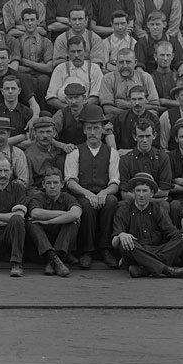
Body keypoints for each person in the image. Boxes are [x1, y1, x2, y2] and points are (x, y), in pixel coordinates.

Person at [64, 104, 120, 269]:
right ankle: (87, 251)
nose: (93, 132)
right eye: (89, 128)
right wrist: (87, 193)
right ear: (84, 130)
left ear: (103, 130)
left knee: (111, 202)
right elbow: (70, 181)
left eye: (96, 128)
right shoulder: (75, 152)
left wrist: (103, 192)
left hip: (104, 192)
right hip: (82, 193)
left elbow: (115, 183)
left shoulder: (112, 153)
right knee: (86, 206)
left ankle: (105, 248)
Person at [112, 173, 183, 279]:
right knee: (125, 242)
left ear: (151, 193)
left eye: (145, 191)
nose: (141, 195)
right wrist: (121, 235)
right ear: (133, 193)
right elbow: (114, 243)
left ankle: (145, 269)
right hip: (136, 250)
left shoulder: (158, 209)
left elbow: (172, 233)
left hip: (158, 250)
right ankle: (168, 270)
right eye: (138, 191)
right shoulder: (123, 209)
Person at [26, 169, 80, 277]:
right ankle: (55, 259)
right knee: (32, 223)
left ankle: (53, 261)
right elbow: (35, 213)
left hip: (63, 247)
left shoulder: (68, 198)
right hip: (41, 249)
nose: (52, 186)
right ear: (43, 185)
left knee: (73, 222)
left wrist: (49, 221)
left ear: (61, 184)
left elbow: (75, 214)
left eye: (55, 183)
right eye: (48, 183)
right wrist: (64, 214)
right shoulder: (38, 197)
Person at [118, 119, 172, 202]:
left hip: (156, 206)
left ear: (154, 135)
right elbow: (124, 194)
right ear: (134, 136)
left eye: (148, 136)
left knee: (164, 206)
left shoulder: (163, 158)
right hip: (134, 204)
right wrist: (153, 199)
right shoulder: (125, 160)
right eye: (141, 136)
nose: (144, 140)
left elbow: (165, 191)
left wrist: (140, 196)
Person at [47, 36, 104, 111]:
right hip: (65, 110)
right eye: (73, 52)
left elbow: (96, 97)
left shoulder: (95, 69)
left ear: (85, 52)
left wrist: (79, 108)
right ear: (67, 52)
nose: (76, 55)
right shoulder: (60, 69)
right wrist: (69, 109)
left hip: (87, 109)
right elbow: (51, 98)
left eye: (79, 51)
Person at [100, 49, 160, 116]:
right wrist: (131, 114)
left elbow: (155, 106)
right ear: (116, 63)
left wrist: (129, 105)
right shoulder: (108, 78)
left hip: (143, 118)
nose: (125, 66)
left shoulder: (145, 77)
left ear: (135, 63)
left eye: (128, 62)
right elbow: (108, 109)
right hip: (118, 118)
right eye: (121, 62)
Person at [15, 8, 56, 100]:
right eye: (27, 20)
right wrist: (38, 67)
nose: (30, 23)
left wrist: (27, 63)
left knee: (44, 80)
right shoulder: (16, 42)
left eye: (32, 20)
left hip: (41, 76)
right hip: (24, 75)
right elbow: (15, 67)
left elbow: (49, 67)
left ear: (37, 21)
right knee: (24, 79)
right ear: (22, 22)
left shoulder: (46, 42)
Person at [110, 85, 160, 153]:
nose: (137, 103)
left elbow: (155, 146)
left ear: (146, 100)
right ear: (129, 100)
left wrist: (130, 152)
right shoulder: (119, 118)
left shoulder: (154, 119)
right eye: (134, 99)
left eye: (140, 99)